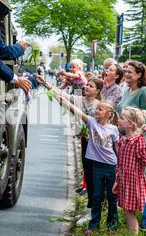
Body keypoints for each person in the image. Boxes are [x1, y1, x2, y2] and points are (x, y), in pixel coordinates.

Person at [37, 75, 102, 217]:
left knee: (96, 176)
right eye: (87, 85)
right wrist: (47, 84)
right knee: (88, 174)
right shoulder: (79, 100)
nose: (86, 87)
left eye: (91, 86)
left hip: (97, 145)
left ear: (97, 91)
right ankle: (90, 209)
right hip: (85, 143)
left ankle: (97, 210)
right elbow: (62, 95)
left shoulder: (100, 106)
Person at [56, 95, 120, 234]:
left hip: (111, 166)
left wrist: (119, 166)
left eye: (100, 109)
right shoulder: (92, 122)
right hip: (96, 166)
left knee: (111, 196)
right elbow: (77, 111)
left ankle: (112, 225)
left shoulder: (114, 129)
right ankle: (93, 224)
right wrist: (64, 101)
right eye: (96, 108)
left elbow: (117, 147)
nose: (96, 111)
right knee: (96, 195)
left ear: (108, 114)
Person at [112, 107, 146, 234]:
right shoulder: (123, 140)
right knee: (127, 209)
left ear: (130, 124)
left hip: (134, 180)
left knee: (136, 209)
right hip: (124, 179)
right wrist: (117, 180)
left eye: (122, 118)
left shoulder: (138, 141)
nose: (118, 119)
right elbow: (119, 163)